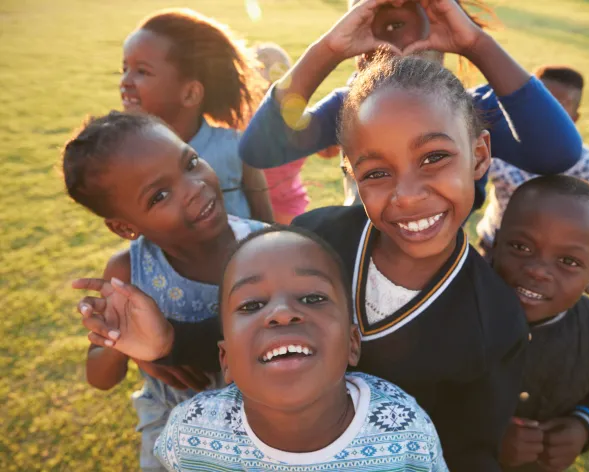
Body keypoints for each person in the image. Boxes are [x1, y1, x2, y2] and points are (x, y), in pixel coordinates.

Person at [75, 56, 529, 471]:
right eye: (376, 172)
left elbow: (471, 449)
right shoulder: (317, 237)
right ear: (352, 175)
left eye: (434, 158)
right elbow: (248, 330)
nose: (407, 194)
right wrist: (167, 341)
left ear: (480, 156)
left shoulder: (497, 321)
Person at [152, 226, 448, 471]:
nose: (282, 312)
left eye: (312, 298)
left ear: (351, 344)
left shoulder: (406, 432)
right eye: (252, 304)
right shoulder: (190, 434)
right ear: (225, 360)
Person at [238, 0, 583, 209]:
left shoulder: (473, 111)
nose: (394, 29)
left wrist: (477, 44)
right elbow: (259, 149)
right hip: (359, 269)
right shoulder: (350, 109)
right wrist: (328, 49)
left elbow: (558, 153)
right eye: (378, 15)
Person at [64, 112, 265, 471]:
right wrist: (117, 342)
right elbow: (101, 378)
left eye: (190, 163)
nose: (194, 187)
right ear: (125, 226)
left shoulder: (267, 247)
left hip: (265, 420)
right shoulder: (128, 274)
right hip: (173, 429)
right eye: (159, 195)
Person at [492, 175, 589, 471]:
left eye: (568, 261)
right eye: (521, 247)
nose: (538, 271)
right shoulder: (454, 316)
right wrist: (482, 436)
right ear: (496, 243)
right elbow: (414, 395)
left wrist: (582, 429)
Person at [121, 8, 273, 221]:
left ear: (190, 93)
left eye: (142, 71)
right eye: (125, 68)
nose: (125, 81)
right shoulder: (127, 156)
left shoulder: (236, 147)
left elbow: (267, 222)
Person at [476, 64, 589, 261]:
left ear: (574, 119)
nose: (547, 113)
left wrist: (564, 215)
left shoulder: (582, 162)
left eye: (559, 106)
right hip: (494, 245)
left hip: (549, 259)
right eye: (542, 102)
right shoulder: (497, 144)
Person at [253, 43, 311, 224]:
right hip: (258, 205)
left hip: (285, 207)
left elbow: (329, 150)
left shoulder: (297, 115)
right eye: (264, 66)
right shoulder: (241, 117)